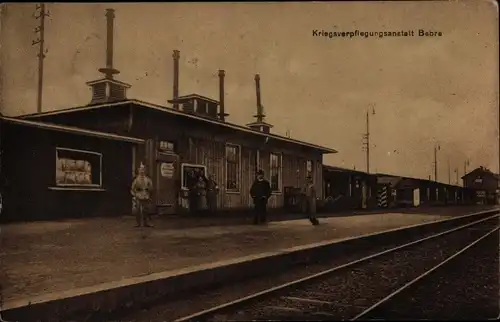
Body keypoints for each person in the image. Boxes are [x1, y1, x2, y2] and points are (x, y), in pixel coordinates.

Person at [131, 163, 154, 227]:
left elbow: (151, 188)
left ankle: (146, 223)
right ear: (138, 170)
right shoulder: (135, 180)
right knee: (137, 210)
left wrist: (148, 190)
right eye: (141, 170)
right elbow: (132, 189)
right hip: (138, 196)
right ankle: (137, 223)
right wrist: (134, 195)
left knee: (146, 210)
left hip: (146, 196)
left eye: (143, 170)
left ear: (145, 170)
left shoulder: (148, 179)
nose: (142, 171)